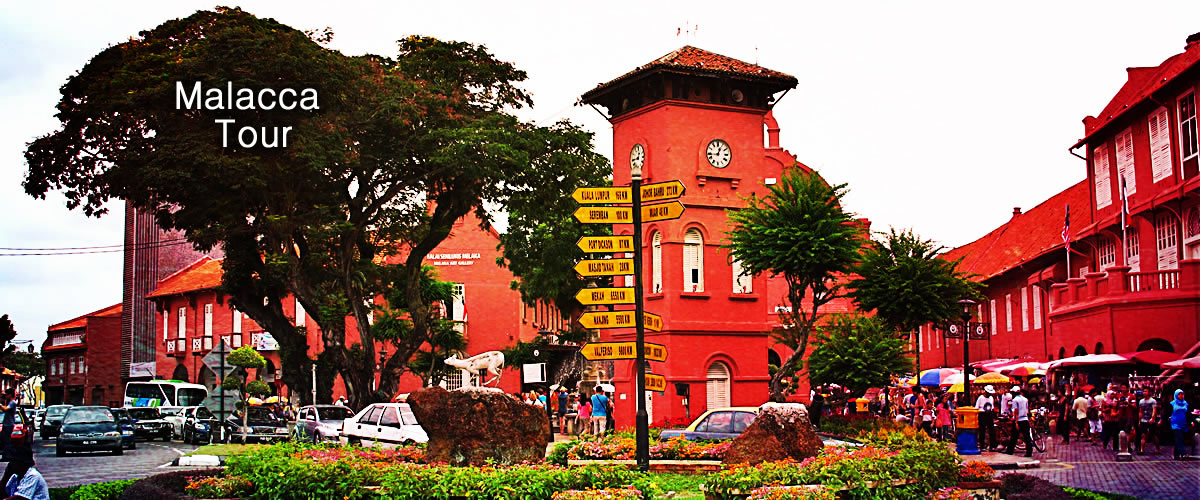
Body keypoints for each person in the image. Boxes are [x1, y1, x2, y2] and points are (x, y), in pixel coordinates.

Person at [1004, 386, 1035, 458]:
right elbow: (1027, 410)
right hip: (1025, 419)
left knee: (1014, 437)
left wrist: (1016, 422)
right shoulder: (1025, 399)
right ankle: (1029, 452)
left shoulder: (1015, 400)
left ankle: (1009, 451)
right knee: (1027, 437)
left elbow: (1016, 411)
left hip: (1019, 420)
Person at [1136, 390, 1159, 455]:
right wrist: (1139, 421)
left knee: (1153, 435)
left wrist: (1153, 418)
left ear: (1149, 392)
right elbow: (1140, 411)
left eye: (1146, 391)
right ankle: (1142, 450)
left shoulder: (1153, 401)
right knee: (1143, 435)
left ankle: (1157, 448)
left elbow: (1154, 410)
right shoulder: (1141, 401)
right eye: (1144, 391)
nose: (1144, 393)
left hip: (1151, 420)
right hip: (1144, 420)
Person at [1169, 389, 1190, 460]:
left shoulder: (1186, 403)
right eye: (1179, 394)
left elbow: (1188, 413)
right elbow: (1168, 412)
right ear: (1176, 395)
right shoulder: (1172, 404)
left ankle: (1176, 454)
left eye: (1182, 394)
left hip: (1183, 424)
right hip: (1175, 424)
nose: (1181, 396)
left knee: (1178, 439)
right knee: (1179, 437)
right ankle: (1183, 453)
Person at [976, 385, 998, 451]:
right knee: (982, 431)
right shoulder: (980, 398)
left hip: (989, 414)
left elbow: (992, 407)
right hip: (982, 414)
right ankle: (982, 446)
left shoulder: (991, 398)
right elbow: (976, 407)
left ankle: (992, 446)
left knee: (992, 430)